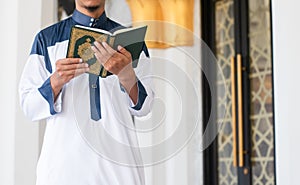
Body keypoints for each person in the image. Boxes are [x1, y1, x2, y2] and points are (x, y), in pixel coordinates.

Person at [18, 0, 154, 184]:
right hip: (62, 172)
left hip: (121, 171)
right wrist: (56, 81)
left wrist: (126, 74)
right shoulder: (47, 39)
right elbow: (29, 106)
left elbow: (145, 107)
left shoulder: (130, 43)